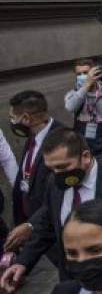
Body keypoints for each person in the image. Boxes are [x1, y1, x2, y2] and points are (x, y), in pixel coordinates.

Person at [1, 129, 102, 292]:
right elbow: (48, 223)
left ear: (85, 157)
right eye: (52, 168)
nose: (57, 174)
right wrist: (23, 262)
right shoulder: (54, 183)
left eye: (63, 166)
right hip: (76, 285)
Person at [7, 90, 66, 227]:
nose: (12, 122)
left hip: (49, 228)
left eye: (13, 118)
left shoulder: (63, 140)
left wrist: (31, 225)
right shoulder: (32, 137)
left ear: (26, 118)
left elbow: (58, 196)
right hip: (30, 222)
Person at [64, 59, 102, 166]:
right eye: (79, 74)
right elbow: (70, 107)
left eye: (86, 72)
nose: (83, 76)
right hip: (85, 146)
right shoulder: (73, 94)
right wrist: (86, 85)